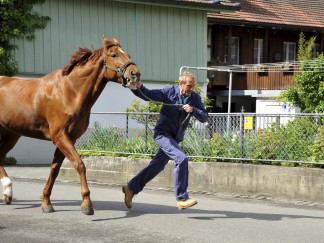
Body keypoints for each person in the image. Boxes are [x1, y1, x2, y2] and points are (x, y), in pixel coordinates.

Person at [123, 71, 208, 210]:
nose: (191, 89)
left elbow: (205, 116)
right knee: (182, 158)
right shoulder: (170, 92)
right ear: (180, 84)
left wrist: (193, 110)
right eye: (188, 86)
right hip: (162, 134)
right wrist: (136, 87)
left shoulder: (194, 98)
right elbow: (149, 95)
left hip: (174, 138)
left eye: (193, 86)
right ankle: (182, 198)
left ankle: (131, 188)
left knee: (157, 166)